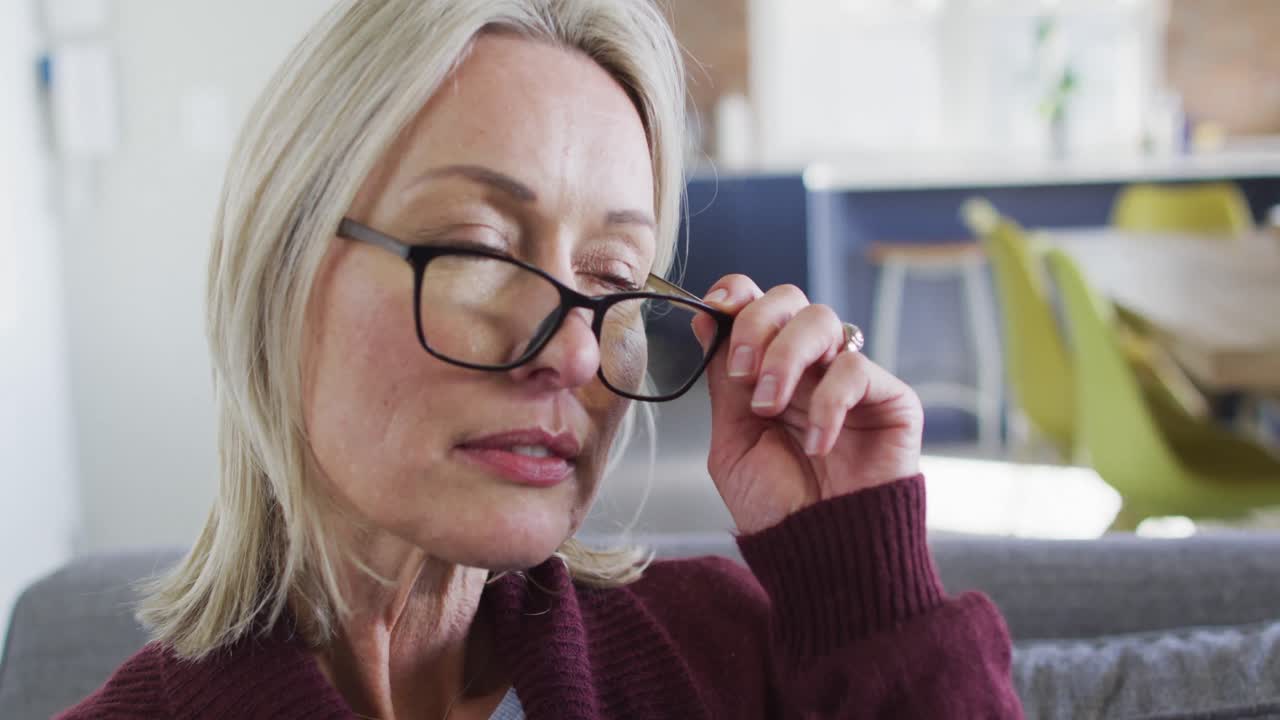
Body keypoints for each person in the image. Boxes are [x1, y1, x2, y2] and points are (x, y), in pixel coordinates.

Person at [59, 1, 1021, 718]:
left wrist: (863, 574)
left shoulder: (731, 657)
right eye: (478, 251)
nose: (571, 349)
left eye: (612, 276)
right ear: (282, 274)